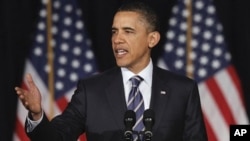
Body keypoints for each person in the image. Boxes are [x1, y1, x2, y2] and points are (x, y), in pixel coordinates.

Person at [15, 1, 208, 141]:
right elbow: (57, 137)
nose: (117, 39)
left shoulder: (182, 90)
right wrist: (37, 115)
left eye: (128, 31)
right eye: (114, 31)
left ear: (152, 39)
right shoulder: (91, 91)